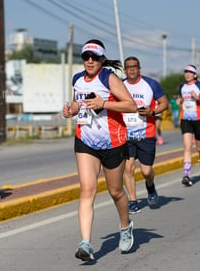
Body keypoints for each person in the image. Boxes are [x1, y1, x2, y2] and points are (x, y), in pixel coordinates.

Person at [62, 39, 137, 261]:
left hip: (113, 141)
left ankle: (125, 226)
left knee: (115, 191)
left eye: (94, 57)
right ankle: (86, 243)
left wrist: (104, 104)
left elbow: (131, 105)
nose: (90, 61)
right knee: (87, 190)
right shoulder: (77, 78)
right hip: (85, 139)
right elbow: (79, 103)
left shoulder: (109, 77)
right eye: (86, 57)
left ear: (102, 59)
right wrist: (71, 110)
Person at [122, 56, 168, 214]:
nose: (132, 69)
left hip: (146, 133)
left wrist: (152, 112)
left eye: (135, 66)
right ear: (124, 70)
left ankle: (150, 186)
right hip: (126, 134)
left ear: (139, 68)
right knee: (127, 168)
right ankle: (133, 200)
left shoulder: (151, 84)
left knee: (146, 171)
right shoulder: (120, 86)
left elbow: (164, 103)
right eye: (128, 67)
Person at [178, 64, 200, 186]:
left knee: (199, 148)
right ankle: (187, 175)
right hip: (186, 119)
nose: (187, 74)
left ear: (195, 75)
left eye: (190, 72)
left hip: (199, 119)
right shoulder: (182, 86)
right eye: (186, 72)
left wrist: (198, 98)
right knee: (187, 147)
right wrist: (180, 101)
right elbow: (181, 99)